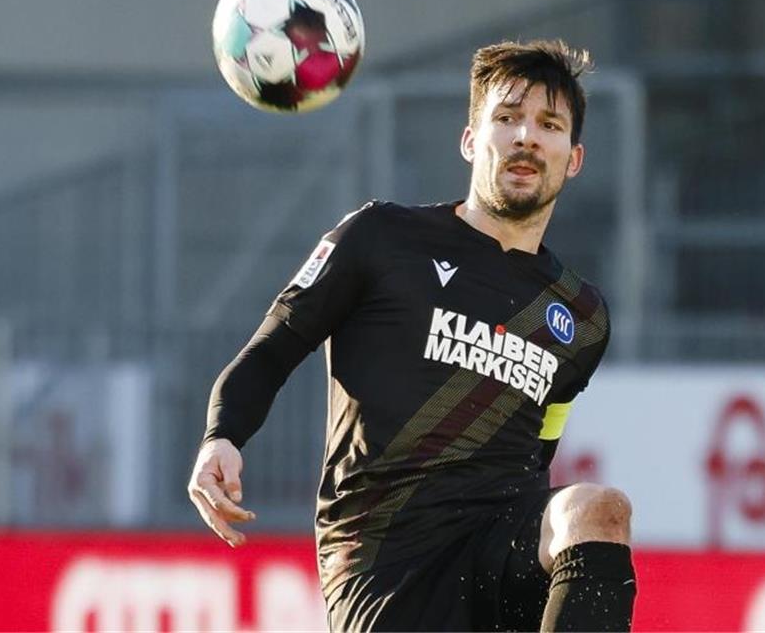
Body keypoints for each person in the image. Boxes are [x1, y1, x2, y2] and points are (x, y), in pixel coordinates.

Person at [187, 40, 636, 631]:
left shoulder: (580, 315)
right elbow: (273, 347)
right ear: (471, 140)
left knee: (599, 510)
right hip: (387, 557)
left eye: (549, 124)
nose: (527, 136)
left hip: (501, 544)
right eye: (507, 118)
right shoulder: (381, 238)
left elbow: (541, 446)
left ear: (572, 158)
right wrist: (222, 435)